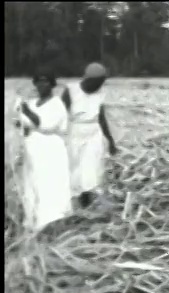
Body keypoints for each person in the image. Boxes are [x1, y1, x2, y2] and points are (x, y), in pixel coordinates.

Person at [15, 69, 72, 232]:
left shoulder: (57, 104)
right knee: (32, 185)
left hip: (50, 150)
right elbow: (23, 123)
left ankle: (48, 223)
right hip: (32, 151)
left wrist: (26, 112)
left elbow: (46, 125)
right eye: (38, 81)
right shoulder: (33, 103)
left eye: (45, 81)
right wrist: (19, 119)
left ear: (52, 84)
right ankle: (32, 222)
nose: (41, 85)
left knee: (48, 185)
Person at [61, 62, 117, 208]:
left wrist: (110, 140)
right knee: (75, 169)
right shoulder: (71, 90)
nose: (100, 86)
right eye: (98, 82)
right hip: (75, 132)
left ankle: (93, 198)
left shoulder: (99, 94)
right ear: (88, 80)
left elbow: (101, 118)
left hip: (94, 133)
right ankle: (77, 200)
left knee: (93, 166)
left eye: (102, 82)